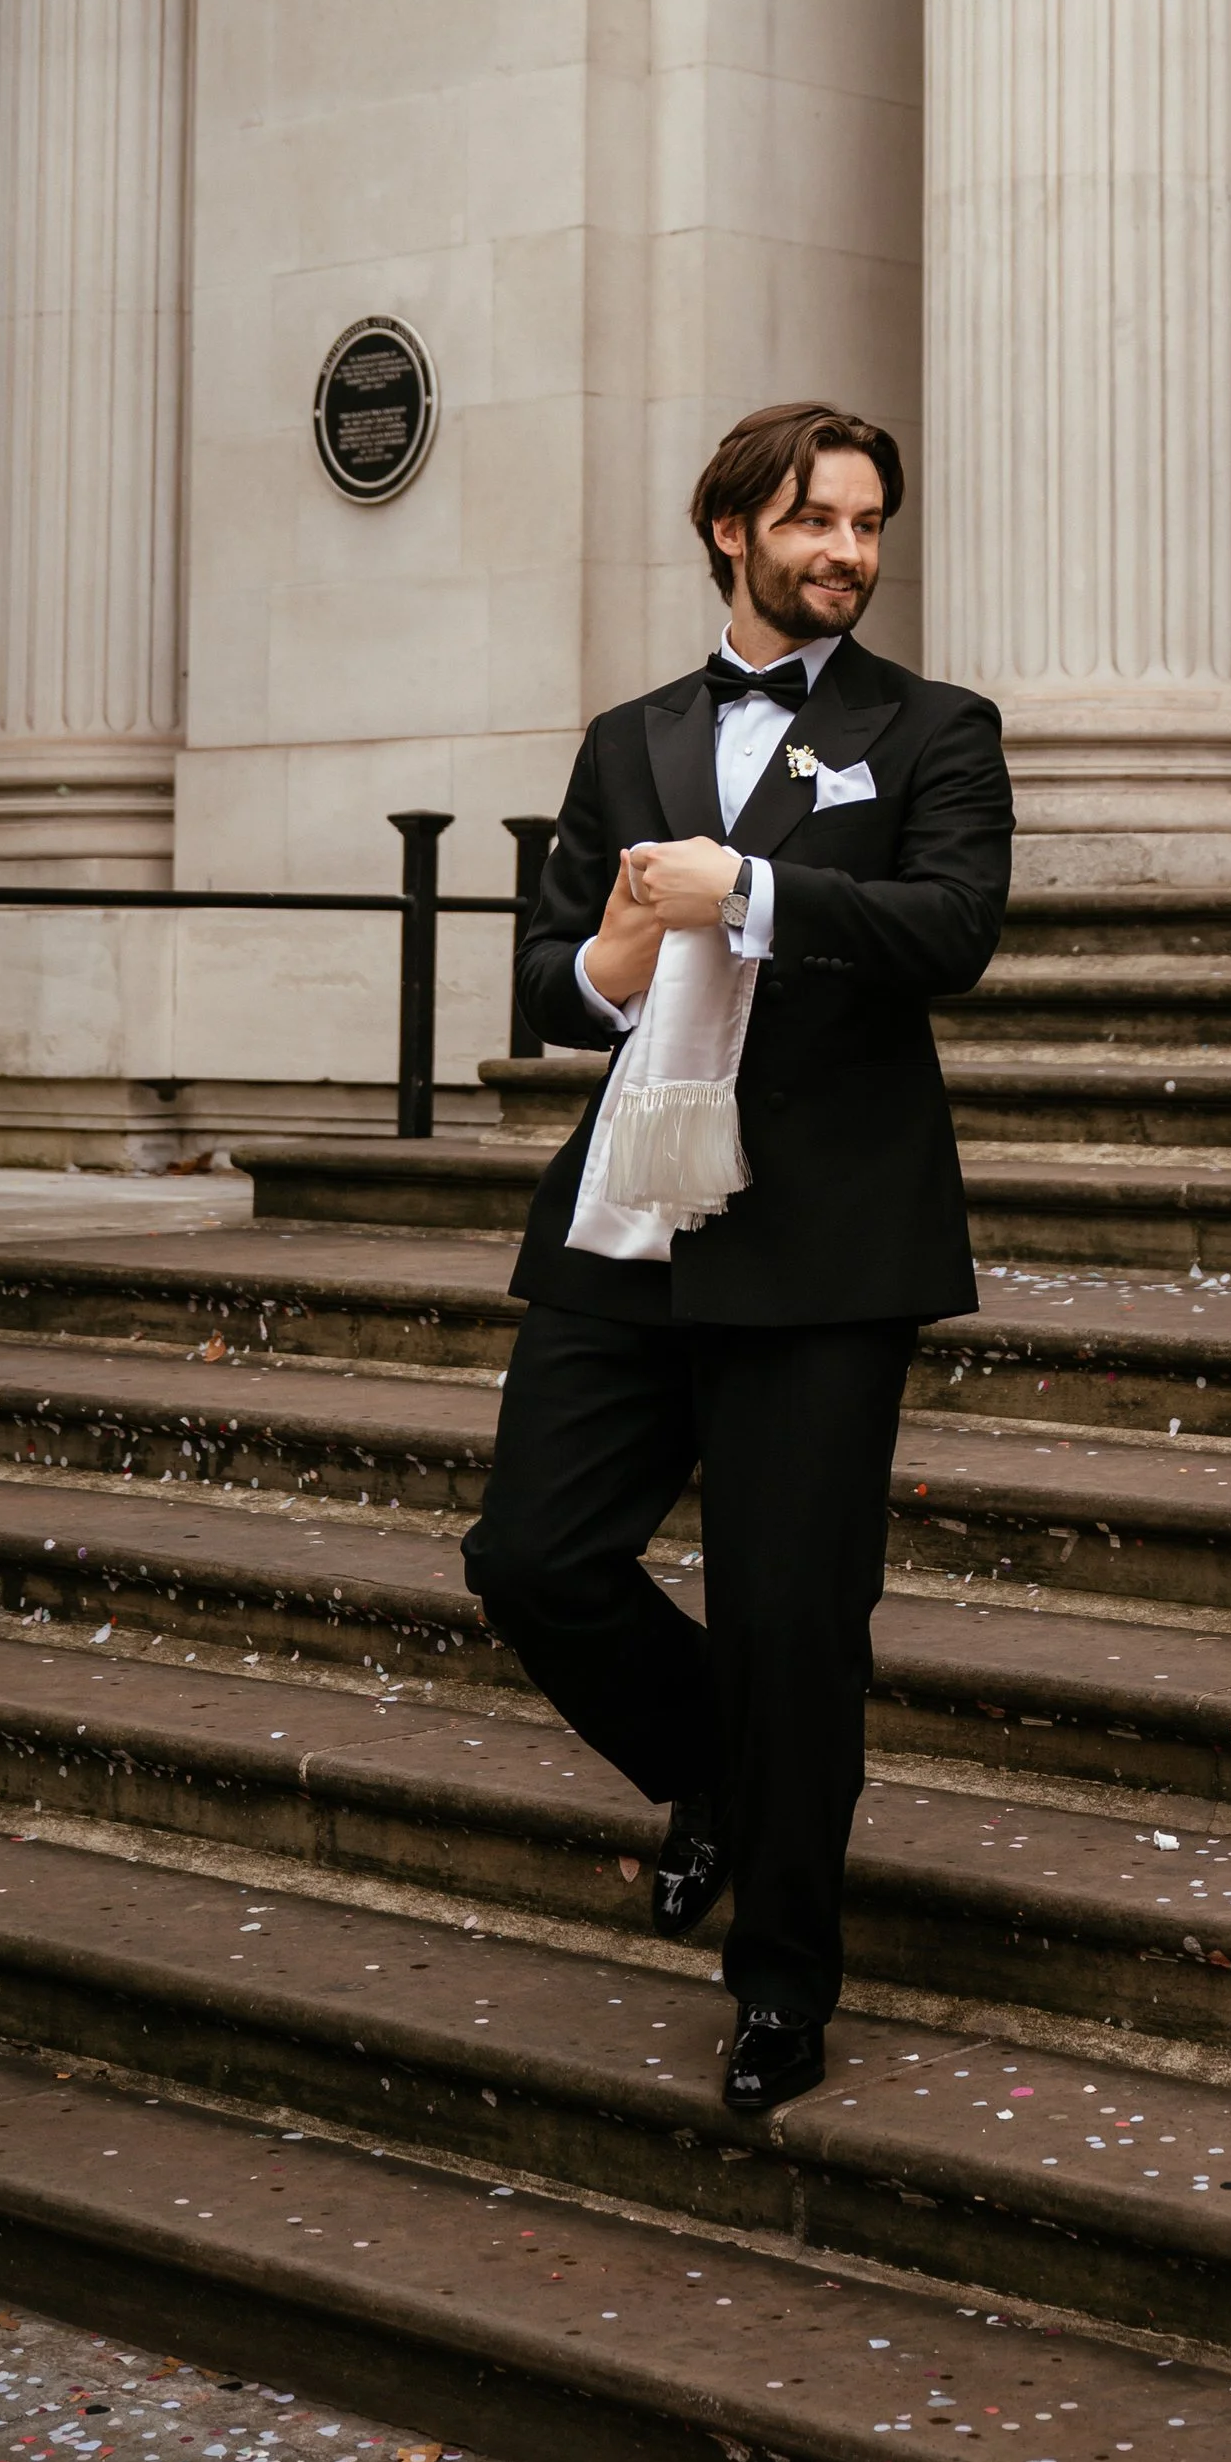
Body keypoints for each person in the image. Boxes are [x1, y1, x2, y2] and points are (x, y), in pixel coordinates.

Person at [462, 399, 1012, 2115]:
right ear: (731, 532)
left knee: (792, 1624)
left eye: (866, 524)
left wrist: (749, 890)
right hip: (628, 1225)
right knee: (533, 1560)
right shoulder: (625, 737)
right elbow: (545, 983)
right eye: (815, 522)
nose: (848, 550)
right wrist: (614, 952)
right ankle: (711, 1776)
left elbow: (955, 930)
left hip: (826, 1245)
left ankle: (781, 1979)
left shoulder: (933, 728)